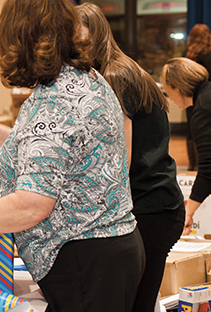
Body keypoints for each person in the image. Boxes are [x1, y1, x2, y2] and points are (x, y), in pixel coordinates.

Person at [0, 0, 145, 311]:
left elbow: (31, 205)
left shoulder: (54, 101)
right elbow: (55, 155)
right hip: (110, 252)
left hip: (84, 261)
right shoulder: (85, 79)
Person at [77, 3, 185, 311]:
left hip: (152, 208)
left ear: (93, 34)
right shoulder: (120, 69)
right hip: (155, 204)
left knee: (135, 302)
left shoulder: (114, 76)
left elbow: (119, 157)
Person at [161, 57, 211, 237]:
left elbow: (208, 169)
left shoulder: (203, 109)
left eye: (169, 92)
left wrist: (188, 212)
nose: (171, 99)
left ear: (178, 88)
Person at [184, 24, 211, 170]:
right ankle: (203, 165)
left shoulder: (187, 54)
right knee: (205, 129)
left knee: (191, 129)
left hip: (189, 97)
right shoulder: (208, 54)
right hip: (206, 98)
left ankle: (192, 165)